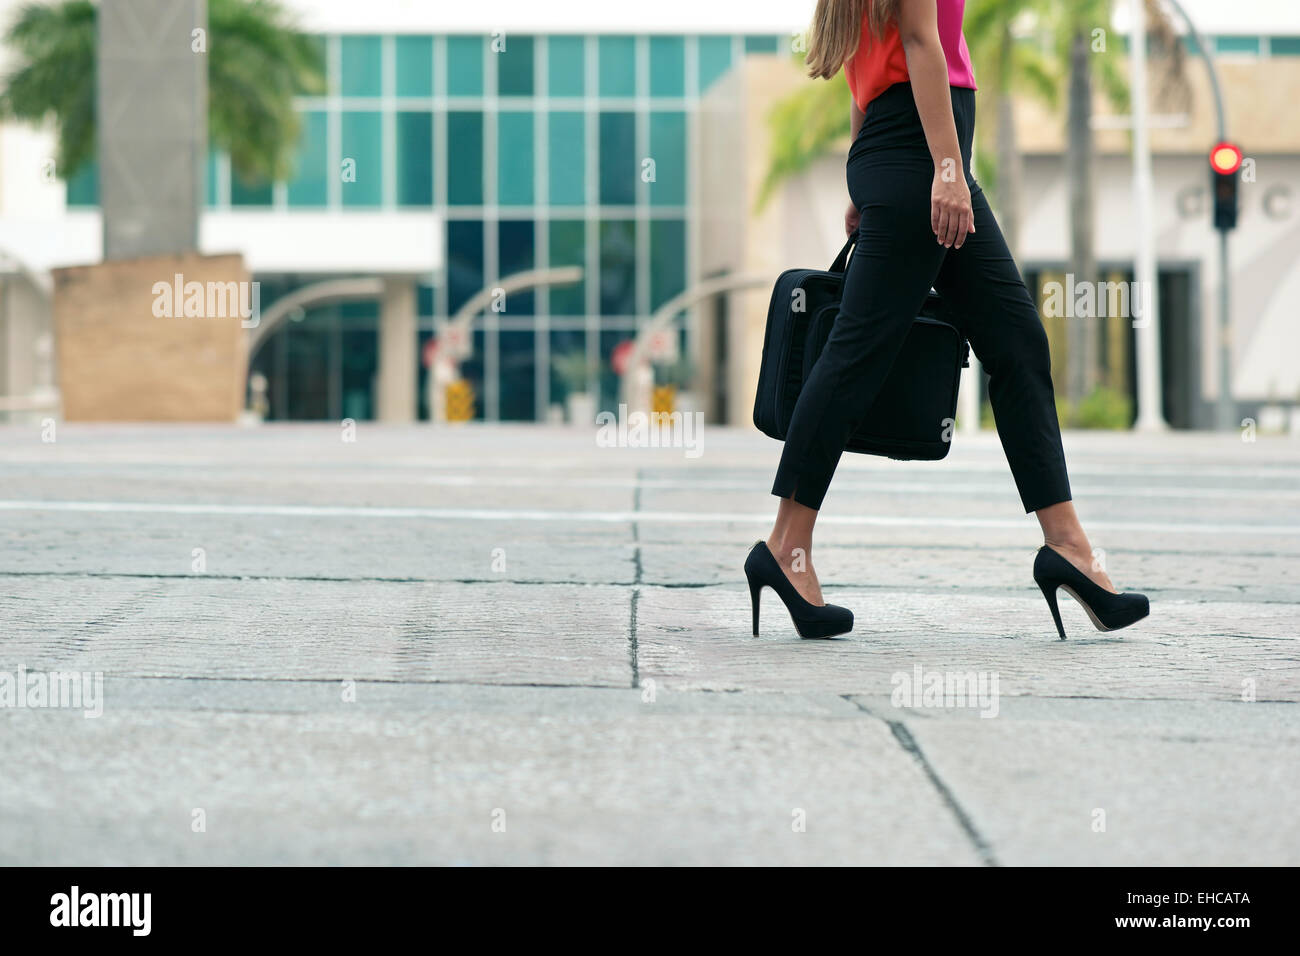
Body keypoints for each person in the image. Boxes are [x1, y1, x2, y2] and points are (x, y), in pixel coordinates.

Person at [744, 0, 1149, 640]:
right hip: (923, 156)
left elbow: (869, 62)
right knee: (856, 352)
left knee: (1016, 342)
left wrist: (868, 176)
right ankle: (786, 546)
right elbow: (919, 42)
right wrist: (947, 170)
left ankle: (1067, 545)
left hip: (903, 150)